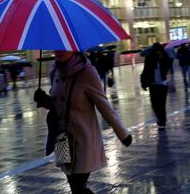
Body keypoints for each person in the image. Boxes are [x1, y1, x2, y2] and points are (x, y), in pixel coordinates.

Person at [34, 51, 132, 194]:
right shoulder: (54, 70)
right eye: (55, 47)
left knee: (78, 187)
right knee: (75, 187)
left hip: (82, 140)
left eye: (63, 48)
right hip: (61, 140)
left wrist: (123, 134)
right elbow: (59, 105)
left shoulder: (87, 72)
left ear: (73, 48)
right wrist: (44, 100)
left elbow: (104, 105)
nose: (58, 51)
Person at [141, 43, 170, 127]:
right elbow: (145, 71)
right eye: (156, 51)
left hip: (162, 84)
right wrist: (144, 83)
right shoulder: (149, 59)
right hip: (153, 85)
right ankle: (159, 118)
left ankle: (162, 121)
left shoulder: (164, 58)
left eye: (159, 50)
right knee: (154, 104)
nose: (158, 52)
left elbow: (167, 66)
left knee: (161, 104)